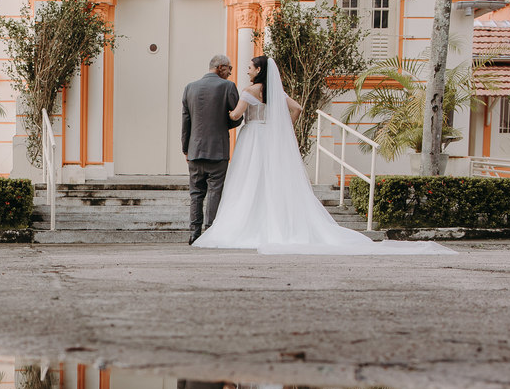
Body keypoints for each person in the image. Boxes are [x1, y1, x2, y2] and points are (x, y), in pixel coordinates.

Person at [191, 56, 453, 255]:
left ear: (259, 71)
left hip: (252, 140)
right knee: (271, 181)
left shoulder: (249, 92)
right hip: (269, 139)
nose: (246, 70)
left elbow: (235, 115)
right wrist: (280, 129)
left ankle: (244, 225)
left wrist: (213, 114)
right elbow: (298, 108)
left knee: (248, 182)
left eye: (250, 67)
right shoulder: (275, 92)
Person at [181, 55, 242, 244]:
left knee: (196, 193)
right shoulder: (228, 87)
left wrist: (186, 149)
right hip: (218, 149)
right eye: (229, 68)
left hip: (195, 150)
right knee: (215, 191)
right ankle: (210, 231)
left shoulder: (189, 88)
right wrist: (221, 124)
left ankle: (194, 233)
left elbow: (186, 121)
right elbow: (237, 117)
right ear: (220, 67)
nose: (231, 72)